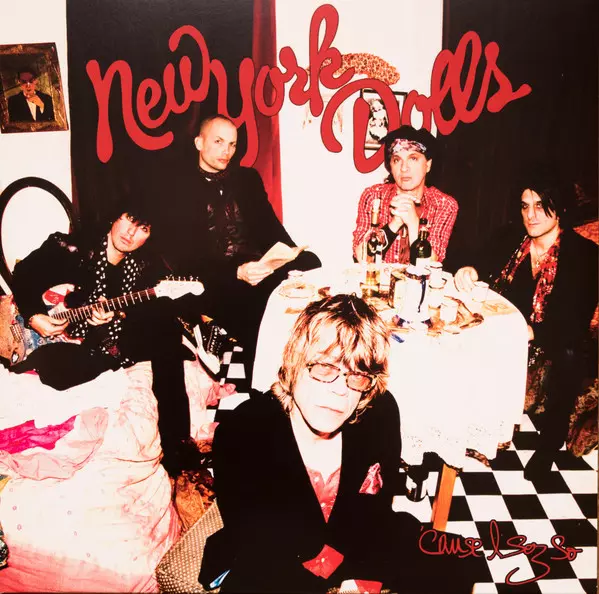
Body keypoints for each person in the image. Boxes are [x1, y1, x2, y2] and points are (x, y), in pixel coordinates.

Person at [199, 294, 482, 593]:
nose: (341, 391)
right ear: (295, 364)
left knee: (463, 559)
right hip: (279, 559)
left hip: (355, 539)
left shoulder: (380, 413)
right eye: (325, 368)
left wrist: (362, 576)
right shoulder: (243, 431)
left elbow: (375, 510)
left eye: (357, 375)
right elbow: (258, 538)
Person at [10, 200, 202, 477]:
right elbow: (23, 275)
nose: (130, 233)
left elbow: (142, 312)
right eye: (129, 219)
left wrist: (117, 315)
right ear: (114, 216)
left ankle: (177, 446)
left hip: (97, 340)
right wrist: (34, 316)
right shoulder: (70, 248)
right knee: (59, 372)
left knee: (166, 334)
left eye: (143, 228)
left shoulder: (142, 266)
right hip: (49, 332)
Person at [455, 172, 598, 480]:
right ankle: (470, 428)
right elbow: (476, 261)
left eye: (541, 206)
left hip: (553, 336)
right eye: (525, 206)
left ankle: (549, 443)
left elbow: (574, 323)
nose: (531, 215)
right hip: (505, 328)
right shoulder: (510, 238)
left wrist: (530, 332)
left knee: (571, 355)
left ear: (559, 208)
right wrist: (469, 269)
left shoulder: (585, 255)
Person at [165, 114, 321, 378]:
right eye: (218, 142)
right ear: (199, 143)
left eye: (232, 144)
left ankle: (301, 360)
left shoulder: (247, 178)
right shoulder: (178, 187)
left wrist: (290, 254)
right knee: (256, 296)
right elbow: (185, 257)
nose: (226, 151)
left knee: (311, 262)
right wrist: (236, 272)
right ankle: (256, 378)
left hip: (256, 264)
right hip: (214, 274)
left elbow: (270, 227)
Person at [353, 125, 458, 264]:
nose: (404, 168)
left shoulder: (444, 204)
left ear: (428, 165)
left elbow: (431, 264)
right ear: (390, 166)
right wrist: (395, 223)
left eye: (413, 158)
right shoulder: (374, 196)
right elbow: (362, 257)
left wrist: (413, 223)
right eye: (397, 160)